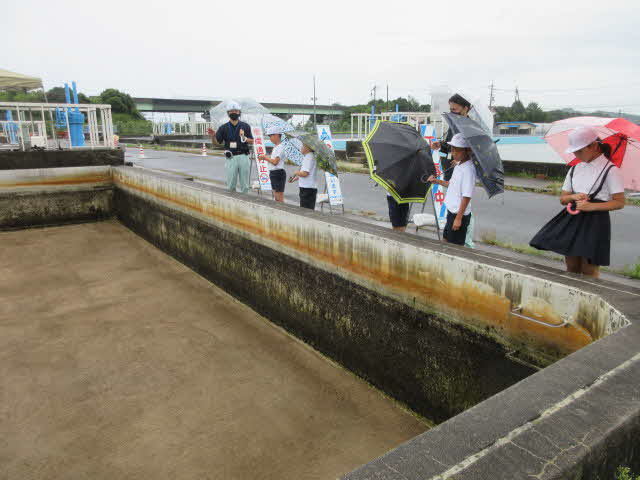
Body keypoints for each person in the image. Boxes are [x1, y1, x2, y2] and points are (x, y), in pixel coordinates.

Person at [530, 126, 625, 278]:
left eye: (579, 151)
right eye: (574, 151)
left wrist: (591, 206)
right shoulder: (575, 169)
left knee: (589, 269)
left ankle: (589, 300)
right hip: (572, 218)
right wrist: (573, 197)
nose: (576, 154)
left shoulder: (611, 170)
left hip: (596, 221)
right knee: (572, 266)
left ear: (593, 146)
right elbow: (563, 199)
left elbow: (619, 202)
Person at [428, 133, 476, 245]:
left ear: (467, 151)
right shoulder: (459, 165)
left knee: (454, 248)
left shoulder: (468, 170)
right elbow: (451, 184)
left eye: (457, 150)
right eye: (452, 149)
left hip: (458, 215)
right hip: (451, 212)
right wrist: (436, 181)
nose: (453, 153)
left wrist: (458, 219)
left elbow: (467, 196)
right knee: (445, 242)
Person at [209, 102, 254, 193]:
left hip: (243, 156)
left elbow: (252, 141)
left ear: (239, 112)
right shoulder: (223, 127)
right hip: (231, 157)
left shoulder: (245, 126)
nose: (234, 113)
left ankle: (245, 202)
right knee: (231, 184)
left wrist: (243, 137)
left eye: (236, 111)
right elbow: (217, 144)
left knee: (245, 184)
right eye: (231, 111)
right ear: (228, 113)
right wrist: (213, 136)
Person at [258, 126, 288, 203]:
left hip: (278, 173)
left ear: (277, 135)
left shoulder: (280, 147)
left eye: (271, 136)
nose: (270, 138)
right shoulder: (276, 147)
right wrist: (266, 157)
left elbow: (275, 162)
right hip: (275, 173)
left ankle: (282, 211)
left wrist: (265, 158)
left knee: (278, 197)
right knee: (277, 196)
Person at [294, 144, 318, 209]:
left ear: (308, 148)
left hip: (307, 188)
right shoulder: (311, 156)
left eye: (303, 146)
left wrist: (296, 172)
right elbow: (308, 173)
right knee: (309, 209)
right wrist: (297, 177)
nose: (301, 147)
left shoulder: (308, 157)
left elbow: (305, 173)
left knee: (305, 210)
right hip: (309, 187)